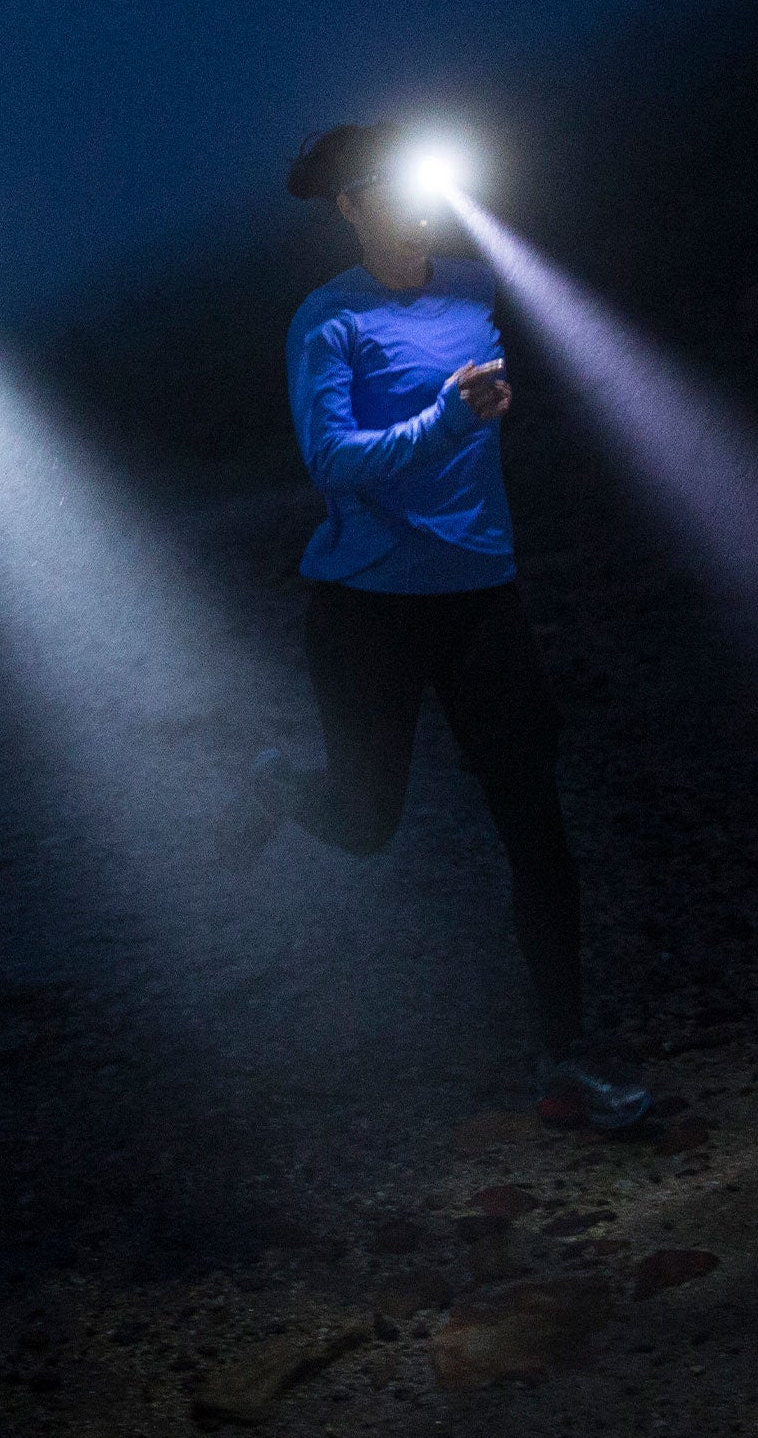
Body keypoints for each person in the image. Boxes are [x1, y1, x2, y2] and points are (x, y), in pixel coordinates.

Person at [245, 122, 649, 1129]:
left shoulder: (476, 284)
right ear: (348, 206)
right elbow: (330, 462)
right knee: (366, 820)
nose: (419, 199)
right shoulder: (326, 322)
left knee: (534, 822)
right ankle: (279, 784)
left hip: (479, 590)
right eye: (391, 186)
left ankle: (564, 1060)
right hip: (366, 609)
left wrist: (494, 406)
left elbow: (497, 393)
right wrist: (448, 418)